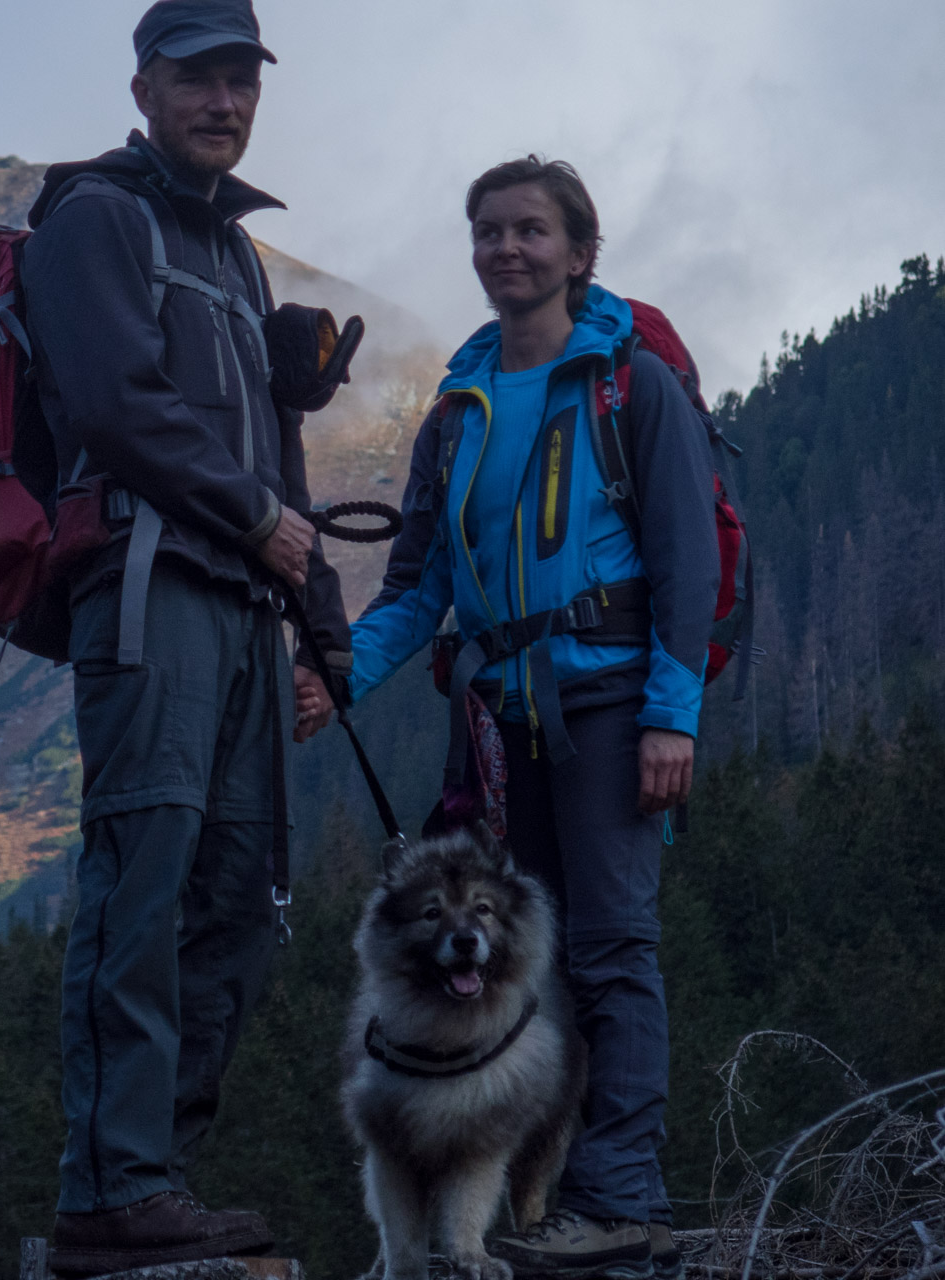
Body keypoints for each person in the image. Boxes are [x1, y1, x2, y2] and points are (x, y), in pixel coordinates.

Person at [324, 157, 718, 1279]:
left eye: (531, 231)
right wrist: (336, 682)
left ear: (579, 251)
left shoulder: (626, 382)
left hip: (606, 698)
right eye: (488, 231)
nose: (506, 248)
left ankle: (622, 1196)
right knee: (524, 970)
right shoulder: (459, 409)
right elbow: (415, 587)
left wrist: (670, 717)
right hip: (497, 714)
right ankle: (541, 1203)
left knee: (610, 947)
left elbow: (686, 560)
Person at [19, 0, 352, 1272]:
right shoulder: (96, 218)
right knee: (141, 886)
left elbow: (280, 443)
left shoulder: (234, 255)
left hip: (247, 609)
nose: (225, 102)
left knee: (240, 902)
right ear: (146, 85)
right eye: (199, 79)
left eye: (241, 82)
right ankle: (109, 1186)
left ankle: (154, 1179)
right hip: (151, 592)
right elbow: (114, 405)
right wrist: (256, 519)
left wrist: (320, 628)